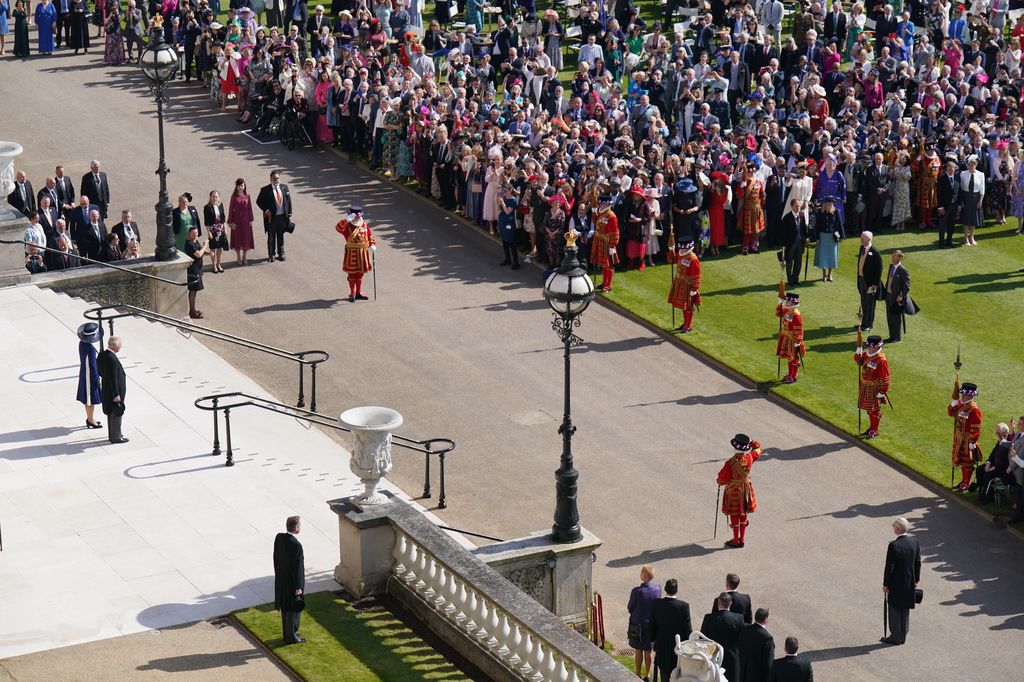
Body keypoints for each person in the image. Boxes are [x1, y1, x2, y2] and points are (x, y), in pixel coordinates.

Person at [717, 434, 763, 549]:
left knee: (735, 514)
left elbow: (722, 480)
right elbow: (758, 448)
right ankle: (742, 539)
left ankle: (736, 540)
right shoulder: (749, 458)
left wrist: (718, 481)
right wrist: (751, 441)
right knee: (743, 512)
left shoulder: (730, 463)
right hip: (746, 489)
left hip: (734, 491)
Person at [881, 517, 921, 646]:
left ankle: (895, 636)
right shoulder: (915, 542)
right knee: (905, 609)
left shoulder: (894, 545)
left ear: (897, 529)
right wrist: (916, 579)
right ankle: (903, 634)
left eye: (894, 527)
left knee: (894, 609)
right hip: (910, 581)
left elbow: (889, 567)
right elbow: (917, 562)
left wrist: (886, 584)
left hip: (896, 582)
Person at [650, 578, 692, 682]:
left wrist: (653, 640)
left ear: (665, 589)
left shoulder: (656, 604)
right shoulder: (684, 606)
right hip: (678, 648)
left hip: (662, 645)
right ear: (677, 590)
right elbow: (688, 629)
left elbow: (652, 625)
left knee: (664, 673)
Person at [273, 515, 306, 644]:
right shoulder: (296, 545)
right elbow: (297, 568)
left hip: (282, 580)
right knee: (293, 610)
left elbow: (275, 557)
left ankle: (287, 635)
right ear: (296, 527)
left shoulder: (279, 538)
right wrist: (298, 587)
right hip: (292, 583)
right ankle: (291, 637)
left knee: (285, 609)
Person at [627, 565, 662, 681]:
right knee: (648, 651)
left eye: (641, 573)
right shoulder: (658, 588)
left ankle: (637, 673)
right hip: (651, 625)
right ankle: (648, 674)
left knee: (638, 650)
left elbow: (630, 607)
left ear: (644, 576)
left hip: (638, 625)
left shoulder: (636, 591)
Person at [700, 592, 743, 682]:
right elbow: (742, 639)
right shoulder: (739, 619)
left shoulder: (708, 618)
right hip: (732, 661)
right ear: (730, 603)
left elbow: (702, 641)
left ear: (718, 603)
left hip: (713, 660)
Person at [335, 205, 375, 302]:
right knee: (352, 274)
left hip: (363, 252)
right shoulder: (347, 225)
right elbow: (338, 228)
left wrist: (373, 244)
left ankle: (359, 292)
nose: (358, 217)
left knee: (360, 273)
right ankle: (352, 292)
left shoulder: (364, 224)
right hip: (352, 252)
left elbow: (370, 235)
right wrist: (346, 220)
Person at [949, 382, 983, 493]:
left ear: (970, 396)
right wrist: (953, 404)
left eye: (964, 395)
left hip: (968, 440)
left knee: (967, 462)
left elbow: (976, 428)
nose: (962, 396)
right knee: (962, 461)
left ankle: (966, 483)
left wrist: (972, 441)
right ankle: (964, 480)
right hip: (959, 438)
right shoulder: (961, 404)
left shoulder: (974, 410)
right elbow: (951, 413)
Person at [855, 336, 891, 440]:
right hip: (865, 386)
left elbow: (885, 378)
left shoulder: (881, 360)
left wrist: (882, 392)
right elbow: (859, 361)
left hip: (875, 388)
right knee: (869, 410)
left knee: (875, 410)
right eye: (868, 347)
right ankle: (871, 427)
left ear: (877, 347)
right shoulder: (867, 354)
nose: (869, 349)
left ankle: (875, 430)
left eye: (871, 347)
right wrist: (858, 351)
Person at [256, 170, 293, 262]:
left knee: (281, 235)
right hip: (271, 218)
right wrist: (266, 210)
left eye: (278, 178)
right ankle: (271, 255)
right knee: (271, 237)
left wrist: (289, 214)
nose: (276, 180)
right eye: (274, 178)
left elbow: (288, 201)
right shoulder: (265, 190)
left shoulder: (284, 188)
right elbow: (259, 201)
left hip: (282, 217)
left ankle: (281, 253)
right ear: (270, 179)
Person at [97, 335, 128, 444]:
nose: (120, 347)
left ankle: (114, 434)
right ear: (114, 345)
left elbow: (100, 371)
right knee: (116, 412)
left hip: (107, 388)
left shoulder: (102, 355)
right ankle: (116, 437)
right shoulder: (111, 358)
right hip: (114, 391)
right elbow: (113, 377)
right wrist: (116, 394)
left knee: (111, 412)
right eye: (119, 345)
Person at [667, 239, 701, 333]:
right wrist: (671, 250)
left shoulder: (693, 259)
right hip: (680, 283)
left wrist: (694, 288)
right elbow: (672, 259)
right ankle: (685, 323)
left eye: (683, 249)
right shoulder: (682, 255)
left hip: (689, 286)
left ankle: (688, 325)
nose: (681, 250)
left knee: (689, 306)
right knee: (683, 305)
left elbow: (697, 275)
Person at [76, 322, 103, 430]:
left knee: (89, 399)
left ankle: (90, 417)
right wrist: (96, 378)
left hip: (84, 373)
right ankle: (90, 419)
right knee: (89, 399)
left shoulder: (82, 344)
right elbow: (92, 366)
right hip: (89, 376)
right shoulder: (90, 349)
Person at [590, 194, 619, 292]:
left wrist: (612, 246)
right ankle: (604, 282)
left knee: (609, 264)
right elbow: (596, 223)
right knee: (603, 264)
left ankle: (608, 284)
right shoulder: (602, 214)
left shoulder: (611, 216)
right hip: (599, 242)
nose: (600, 206)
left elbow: (614, 233)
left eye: (602, 204)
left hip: (607, 243)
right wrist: (594, 214)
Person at [776, 292, 805, 384]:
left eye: (787, 301)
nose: (786, 302)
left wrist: (798, 340)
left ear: (792, 303)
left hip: (793, 339)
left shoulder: (796, 314)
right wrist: (779, 303)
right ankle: (789, 374)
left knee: (794, 358)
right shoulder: (788, 310)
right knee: (789, 357)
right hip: (786, 337)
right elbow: (778, 313)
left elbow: (798, 328)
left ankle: (793, 376)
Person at [736, 162, 766, 255]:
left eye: (753, 172)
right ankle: (745, 246)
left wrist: (763, 197)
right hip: (747, 208)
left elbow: (761, 194)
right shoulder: (744, 182)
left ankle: (753, 245)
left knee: (755, 229)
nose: (751, 173)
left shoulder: (758, 182)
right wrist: (742, 186)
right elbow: (739, 195)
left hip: (757, 207)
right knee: (747, 230)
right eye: (749, 172)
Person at [856, 231, 882, 331]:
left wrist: (875, 284)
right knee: (863, 301)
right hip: (862, 279)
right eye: (861, 237)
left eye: (863, 237)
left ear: (869, 239)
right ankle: (863, 322)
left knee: (870, 303)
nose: (861, 239)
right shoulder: (862, 248)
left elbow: (879, 270)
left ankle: (869, 324)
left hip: (870, 283)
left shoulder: (875, 252)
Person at [738, 607, 774, 682]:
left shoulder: (745, 628)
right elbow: (768, 663)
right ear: (766, 620)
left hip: (742, 672)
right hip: (756, 676)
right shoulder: (767, 638)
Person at [812, 196, 842, 282]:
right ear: (824, 204)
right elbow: (817, 226)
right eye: (828, 203)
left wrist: (841, 236)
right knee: (823, 255)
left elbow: (839, 224)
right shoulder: (820, 213)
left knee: (832, 256)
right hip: (823, 236)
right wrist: (817, 237)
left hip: (832, 236)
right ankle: (824, 274)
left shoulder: (836, 212)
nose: (829, 204)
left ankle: (830, 274)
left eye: (831, 203)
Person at [779, 199, 808, 286]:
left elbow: (804, 230)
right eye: (796, 206)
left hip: (800, 243)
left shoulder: (802, 216)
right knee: (789, 262)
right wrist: (783, 245)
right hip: (790, 244)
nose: (798, 208)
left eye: (799, 206)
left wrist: (806, 238)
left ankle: (796, 278)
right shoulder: (786, 218)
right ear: (791, 206)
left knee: (798, 262)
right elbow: (783, 233)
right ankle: (790, 280)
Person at [883, 250, 910, 343]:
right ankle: (891, 336)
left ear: (900, 258)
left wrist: (901, 296)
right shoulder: (891, 266)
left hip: (896, 298)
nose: (892, 258)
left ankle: (896, 337)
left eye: (894, 256)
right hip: (888, 296)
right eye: (892, 256)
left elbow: (907, 286)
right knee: (889, 317)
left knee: (896, 318)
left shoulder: (903, 270)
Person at [228, 178, 255, 265]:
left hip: (246, 220)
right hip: (237, 220)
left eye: (242, 185)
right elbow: (231, 209)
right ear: (237, 186)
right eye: (240, 185)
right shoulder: (234, 196)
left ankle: (245, 256)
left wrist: (251, 219)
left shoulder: (247, 195)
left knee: (246, 238)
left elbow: (250, 208)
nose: (241, 187)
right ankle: (238, 256)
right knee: (238, 238)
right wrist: (230, 222)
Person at [959, 155, 984, 246]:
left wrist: (980, 200)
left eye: (973, 164)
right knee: (966, 218)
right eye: (970, 164)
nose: (971, 166)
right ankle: (965, 237)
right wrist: (961, 201)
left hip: (976, 198)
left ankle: (972, 237)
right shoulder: (963, 173)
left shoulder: (981, 174)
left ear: (976, 165)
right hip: (966, 197)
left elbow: (982, 189)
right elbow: (961, 188)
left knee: (974, 218)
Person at [184, 227, 208, 319]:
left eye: (196, 232)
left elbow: (201, 251)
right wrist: (205, 245)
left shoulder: (195, 242)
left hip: (198, 269)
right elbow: (198, 254)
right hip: (193, 270)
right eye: (193, 233)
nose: (195, 234)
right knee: (193, 290)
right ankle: (192, 311)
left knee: (195, 291)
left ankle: (193, 309)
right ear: (189, 234)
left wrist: (208, 253)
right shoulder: (188, 244)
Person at [936, 157, 960, 248]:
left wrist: (959, 205)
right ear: (946, 169)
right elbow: (939, 194)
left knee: (951, 224)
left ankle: (949, 241)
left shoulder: (957, 179)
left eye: (952, 169)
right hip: (944, 206)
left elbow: (958, 192)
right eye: (949, 169)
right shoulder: (942, 179)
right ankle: (941, 243)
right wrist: (940, 207)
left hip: (954, 205)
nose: (951, 171)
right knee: (942, 225)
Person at [203, 190, 228, 273]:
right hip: (213, 230)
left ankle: (218, 264)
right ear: (210, 197)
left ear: (218, 197)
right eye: (213, 196)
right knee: (213, 248)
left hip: (220, 230)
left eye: (216, 196)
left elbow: (223, 217)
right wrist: (208, 232)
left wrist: (225, 227)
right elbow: (206, 222)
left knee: (220, 248)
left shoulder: (220, 205)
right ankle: (214, 265)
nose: (214, 198)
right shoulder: (207, 207)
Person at [497, 185, 520, 269]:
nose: (504, 192)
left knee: (511, 242)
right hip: (503, 221)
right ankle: (507, 259)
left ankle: (516, 262)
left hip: (509, 223)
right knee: (504, 241)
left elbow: (507, 211)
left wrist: (502, 202)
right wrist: (499, 198)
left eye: (506, 190)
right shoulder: (504, 198)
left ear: (510, 190)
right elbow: (499, 208)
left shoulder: (513, 200)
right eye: (503, 190)